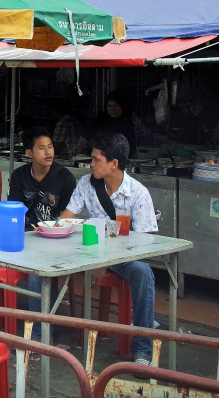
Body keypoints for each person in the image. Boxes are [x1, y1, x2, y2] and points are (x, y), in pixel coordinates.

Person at [60, 133, 159, 365]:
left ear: (114, 164)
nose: (91, 164)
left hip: (125, 255)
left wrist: (105, 262)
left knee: (143, 272)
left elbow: (144, 244)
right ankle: (44, 333)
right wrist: (53, 229)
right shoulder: (86, 183)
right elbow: (67, 217)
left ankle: (142, 350)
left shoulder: (138, 193)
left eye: (96, 159)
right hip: (90, 250)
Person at [9, 127, 77, 340]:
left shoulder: (64, 178)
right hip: (27, 236)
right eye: (41, 148)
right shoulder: (19, 176)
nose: (48, 152)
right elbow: (14, 213)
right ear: (29, 153)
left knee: (36, 272)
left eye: (50, 147)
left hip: (56, 239)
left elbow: (67, 217)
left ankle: (39, 333)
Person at [97, 90, 150, 159]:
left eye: (116, 106)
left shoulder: (132, 120)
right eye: (109, 106)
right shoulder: (102, 120)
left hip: (128, 160)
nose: (112, 109)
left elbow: (146, 135)